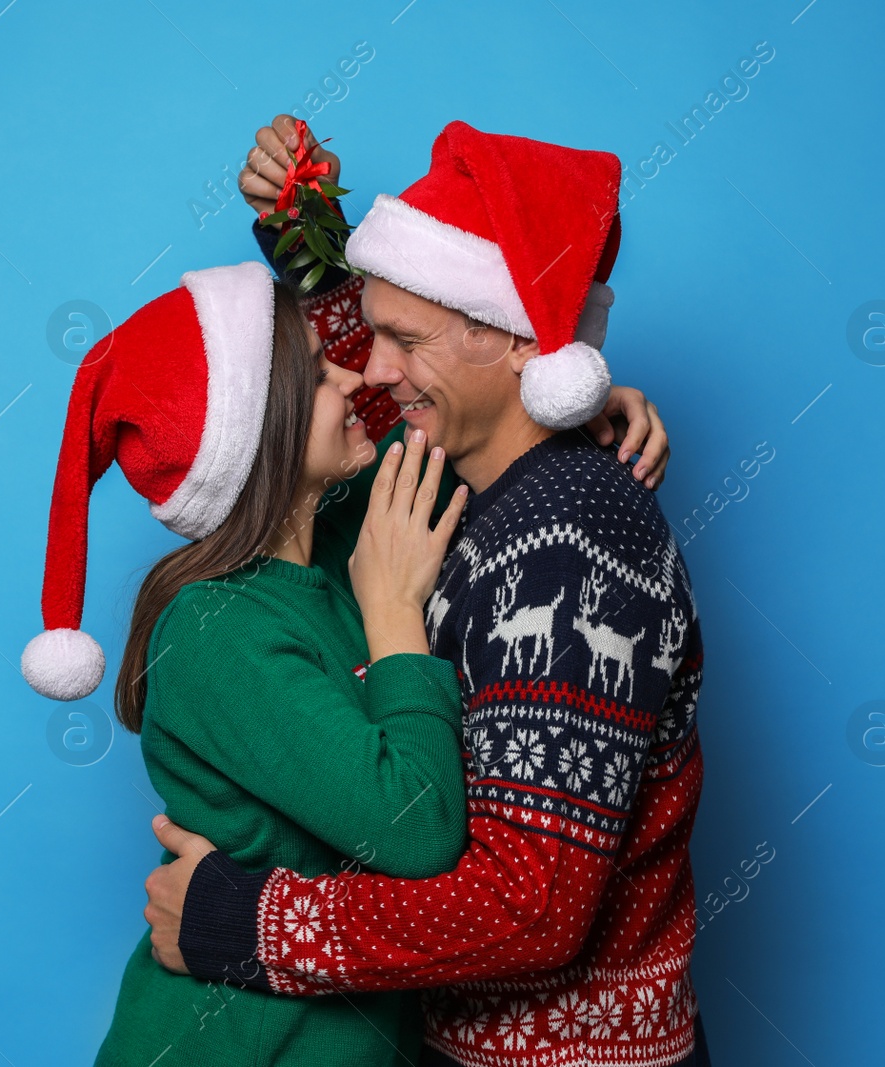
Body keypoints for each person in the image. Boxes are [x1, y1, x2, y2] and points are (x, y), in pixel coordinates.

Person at [143, 119, 711, 1067]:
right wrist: (299, 217)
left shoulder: (571, 542)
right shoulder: (473, 493)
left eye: (401, 338)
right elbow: (321, 425)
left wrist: (244, 924)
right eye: (373, 336)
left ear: (517, 343)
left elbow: (529, 909)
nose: (372, 365)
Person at [19, 273, 673, 1061]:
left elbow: (458, 422)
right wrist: (396, 615)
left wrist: (565, 397)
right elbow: (418, 829)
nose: (360, 377)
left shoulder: (332, 555)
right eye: (324, 371)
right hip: (238, 1043)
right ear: (263, 428)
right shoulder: (214, 631)